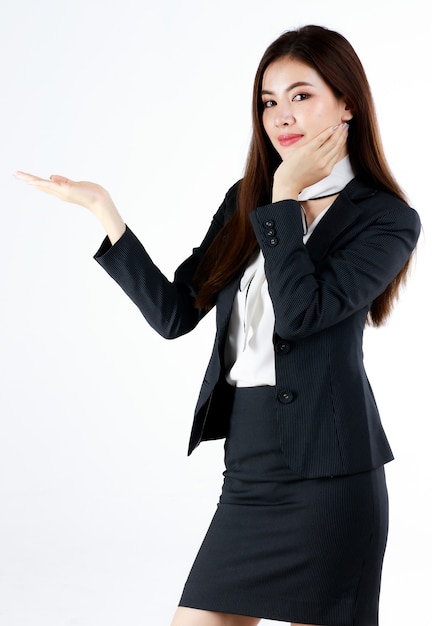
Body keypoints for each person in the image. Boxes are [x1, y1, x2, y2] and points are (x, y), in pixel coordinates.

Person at [16, 24, 421, 626]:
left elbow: (303, 313)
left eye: (301, 95)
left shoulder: (385, 219)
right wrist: (106, 213)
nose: (281, 116)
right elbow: (175, 314)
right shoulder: (245, 200)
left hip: (332, 474)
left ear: (348, 103)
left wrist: (285, 198)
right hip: (251, 468)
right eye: (268, 101)